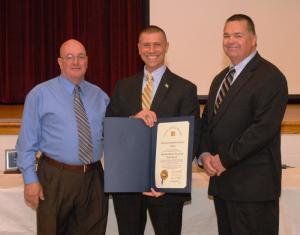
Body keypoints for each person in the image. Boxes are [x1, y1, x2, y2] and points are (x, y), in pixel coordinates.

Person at [198, 14, 288, 235]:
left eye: (238, 35)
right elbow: (207, 123)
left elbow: (262, 130)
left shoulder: (271, 76)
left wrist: (224, 159)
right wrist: (205, 154)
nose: (230, 41)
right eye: (226, 35)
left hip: (253, 191)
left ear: (254, 39)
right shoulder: (220, 79)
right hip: (223, 186)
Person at [106, 25, 200, 235]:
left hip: (165, 189)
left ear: (166, 47)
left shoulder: (185, 89)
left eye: (157, 44)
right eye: (146, 45)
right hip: (128, 185)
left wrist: (168, 182)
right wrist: (132, 121)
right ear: (138, 48)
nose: (152, 50)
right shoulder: (123, 86)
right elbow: (109, 130)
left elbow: (192, 138)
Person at [16, 39, 109, 235]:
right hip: (55, 177)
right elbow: (26, 143)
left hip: (93, 178)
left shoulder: (100, 95)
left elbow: (113, 135)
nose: (76, 62)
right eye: (69, 57)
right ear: (60, 62)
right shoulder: (40, 94)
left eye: (80, 57)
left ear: (87, 60)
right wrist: (30, 180)